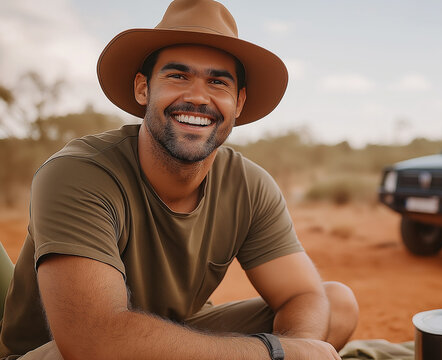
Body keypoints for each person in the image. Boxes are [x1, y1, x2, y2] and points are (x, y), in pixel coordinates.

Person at [0, 0, 359, 359]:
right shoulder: (78, 173)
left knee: (336, 303)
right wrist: (273, 354)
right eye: (177, 76)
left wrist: (295, 347)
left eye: (218, 82)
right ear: (143, 89)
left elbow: (302, 295)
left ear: (239, 102)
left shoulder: (249, 185)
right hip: (63, 352)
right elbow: (92, 340)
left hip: (171, 340)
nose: (197, 97)